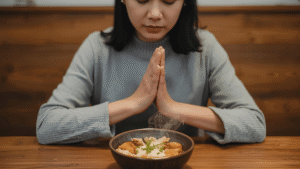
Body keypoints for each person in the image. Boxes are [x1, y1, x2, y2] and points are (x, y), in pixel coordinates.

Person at [36, 0, 266, 145]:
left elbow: (254, 124)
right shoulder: (97, 47)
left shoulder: (204, 47)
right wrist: (134, 103)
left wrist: (173, 108)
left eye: (168, 0)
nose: (155, 13)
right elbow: (47, 126)